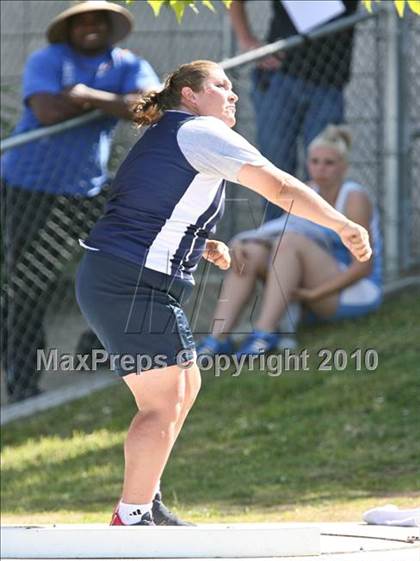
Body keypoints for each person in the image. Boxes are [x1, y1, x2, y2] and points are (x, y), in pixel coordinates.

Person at [75, 60, 371, 526]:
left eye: (233, 87)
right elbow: (278, 185)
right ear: (190, 96)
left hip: (120, 276)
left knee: (184, 386)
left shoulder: (174, 136)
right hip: (128, 281)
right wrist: (341, 223)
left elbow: (147, 206)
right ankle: (131, 516)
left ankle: (144, 504)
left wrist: (199, 242)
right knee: (164, 399)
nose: (232, 95)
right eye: (221, 86)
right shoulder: (199, 132)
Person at [0, 1, 160, 402]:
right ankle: (23, 383)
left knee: (126, 266)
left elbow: (151, 107)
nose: (90, 27)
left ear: (110, 27)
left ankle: (95, 347)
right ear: (68, 29)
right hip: (28, 188)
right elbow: (48, 110)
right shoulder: (47, 59)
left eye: (98, 20)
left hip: (86, 190)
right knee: (30, 284)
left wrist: (86, 94)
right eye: (81, 22)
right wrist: (114, 102)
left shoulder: (125, 62)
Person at [197, 125, 382, 356]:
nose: (320, 168)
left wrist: (313, 296)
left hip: (352, 292)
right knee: (249, 253)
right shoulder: (309, 189)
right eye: (315, 161)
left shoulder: (353, 196)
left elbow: (363, 267)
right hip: (307, 286)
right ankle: (217, 340)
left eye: (329, 162)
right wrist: (241, 241)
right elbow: (278, 229)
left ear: (343, 167)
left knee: (289, 242)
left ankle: (265, 333)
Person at [229, 0, 359, 221]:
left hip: (329, 83)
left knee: (323, 170)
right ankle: (275, 239)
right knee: (275, 170)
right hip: (280, 78)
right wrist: (247, 41)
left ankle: (316, 241)